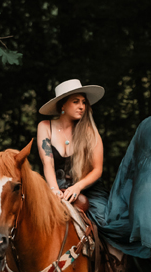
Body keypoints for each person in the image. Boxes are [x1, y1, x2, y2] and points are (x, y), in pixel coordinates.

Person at [36, 79, 105, 211]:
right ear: (62, 105)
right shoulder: (45, 127)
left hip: (86, 188)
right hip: (54, 185)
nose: (81, 106)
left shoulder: (89, 132)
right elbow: (47, 162)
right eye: (75, 101)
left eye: (84, 102)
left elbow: (97, 170)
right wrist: (54, 189)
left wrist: (78, 187)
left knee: (103, 221)